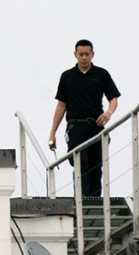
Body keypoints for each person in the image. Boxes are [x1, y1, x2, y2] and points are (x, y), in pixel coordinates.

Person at [47, 39, 120, 197]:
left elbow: (113, 98)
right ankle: (81, 200)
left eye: (87, 54)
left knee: (96, 165)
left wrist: (108, 113)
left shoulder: (101, 74)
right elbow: (61, 105)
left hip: (96, 125)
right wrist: (52, 133)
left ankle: (95, 201)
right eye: (81, 54)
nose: (84, 57)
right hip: (76, 127)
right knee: (81, 163)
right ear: (75, 55)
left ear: (92, 54)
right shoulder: (67, 76)